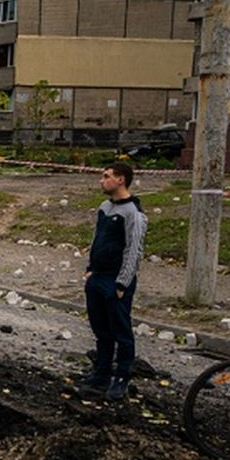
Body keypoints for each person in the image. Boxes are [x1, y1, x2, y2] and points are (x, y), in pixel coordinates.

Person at [80, 162, 148, 400]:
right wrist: (90, 268)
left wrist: (122, 283)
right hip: (97, 277)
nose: (102, 180)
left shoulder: (133, 213)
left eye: (106, 176)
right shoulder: (105, 207)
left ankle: (122, 376)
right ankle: (101, 373)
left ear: (121, 180)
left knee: (121, 330)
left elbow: (134, 250)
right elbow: (97, 238)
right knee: (101, 330)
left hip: (115, 280)